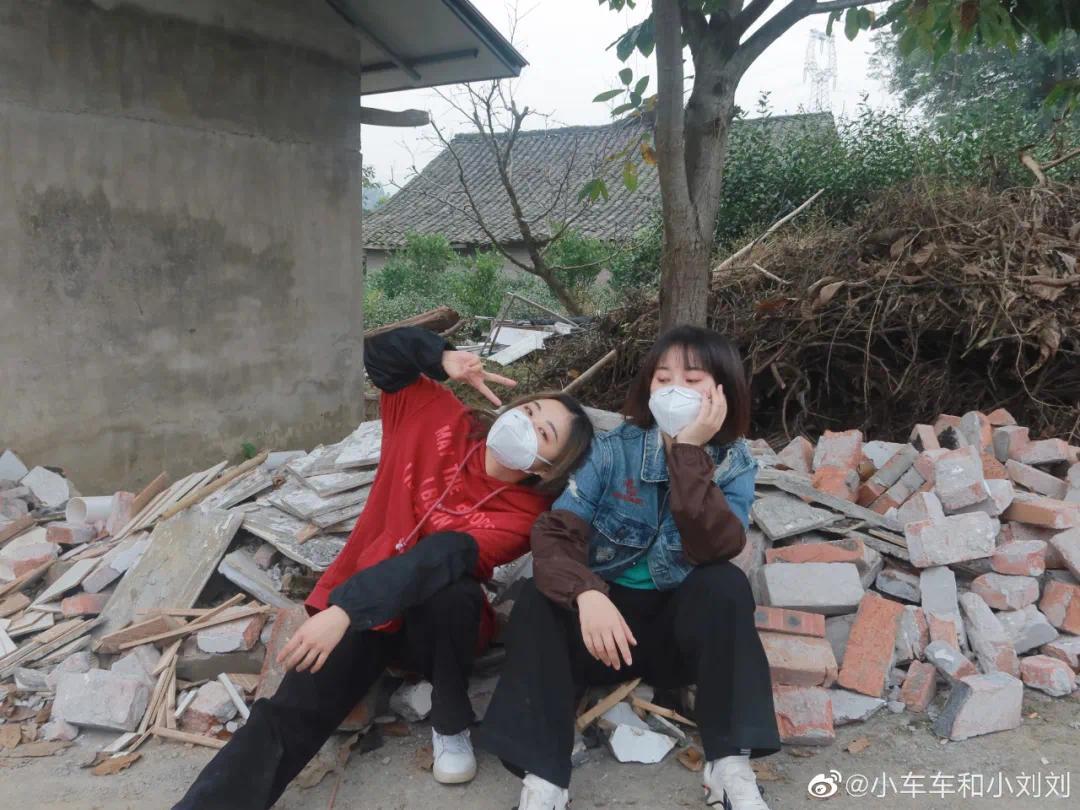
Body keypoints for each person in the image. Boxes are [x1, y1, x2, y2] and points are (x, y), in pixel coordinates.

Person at [173, 326, 594, 810]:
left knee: (452, 588)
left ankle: (450, 719)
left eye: (542, 432)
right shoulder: (434, 414)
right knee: (288, 714)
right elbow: (380, 355)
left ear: (547, 467)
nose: (524, 423)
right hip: (366, 609)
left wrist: (343, 610)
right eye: (528, 410)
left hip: (435, 628)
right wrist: (443, 357)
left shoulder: (524, 514)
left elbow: (444, 555)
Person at [475, 324, 781, 810]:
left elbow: (716, 546)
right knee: (537, 596)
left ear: (722, 391)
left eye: (693, 379)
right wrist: (587, 594)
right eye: (663, 378)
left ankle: (730, 767)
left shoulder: (734, 464)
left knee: (724, 584)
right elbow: (555, 534)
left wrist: (687, 452)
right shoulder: (613, 450)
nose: (675, 389)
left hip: (674, 643)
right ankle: (545, 780)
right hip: (601, 634)